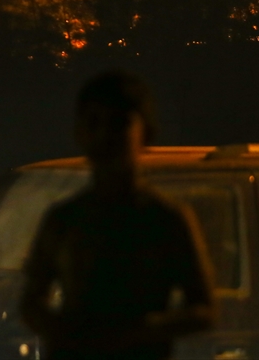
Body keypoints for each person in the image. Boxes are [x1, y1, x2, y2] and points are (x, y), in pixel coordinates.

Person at [21, 71, 215, 360]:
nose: (105, 135)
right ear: (80, 133)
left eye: (118, 123)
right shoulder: (64, 219)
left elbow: (204, 310)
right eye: (94, 122)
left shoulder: (166, 219)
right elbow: (31, 302)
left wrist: (132, 333)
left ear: (146, 133)